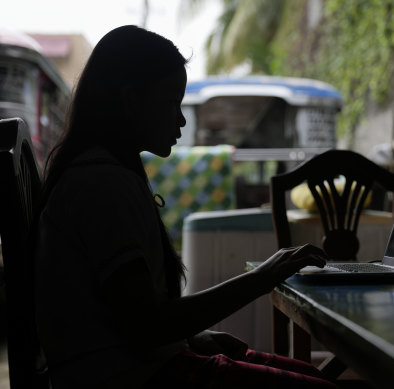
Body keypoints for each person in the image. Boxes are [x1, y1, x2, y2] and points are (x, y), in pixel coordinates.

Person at [34, 25, 337, 389]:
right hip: (130, 377)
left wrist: (192, 338)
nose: (179, 120)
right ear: (131, 100)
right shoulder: (101, 184)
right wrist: (263, 277)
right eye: (170, 104)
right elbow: (148, 325)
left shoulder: (105, 173)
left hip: (139, 363)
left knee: (314, 375)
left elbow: (126, 316)